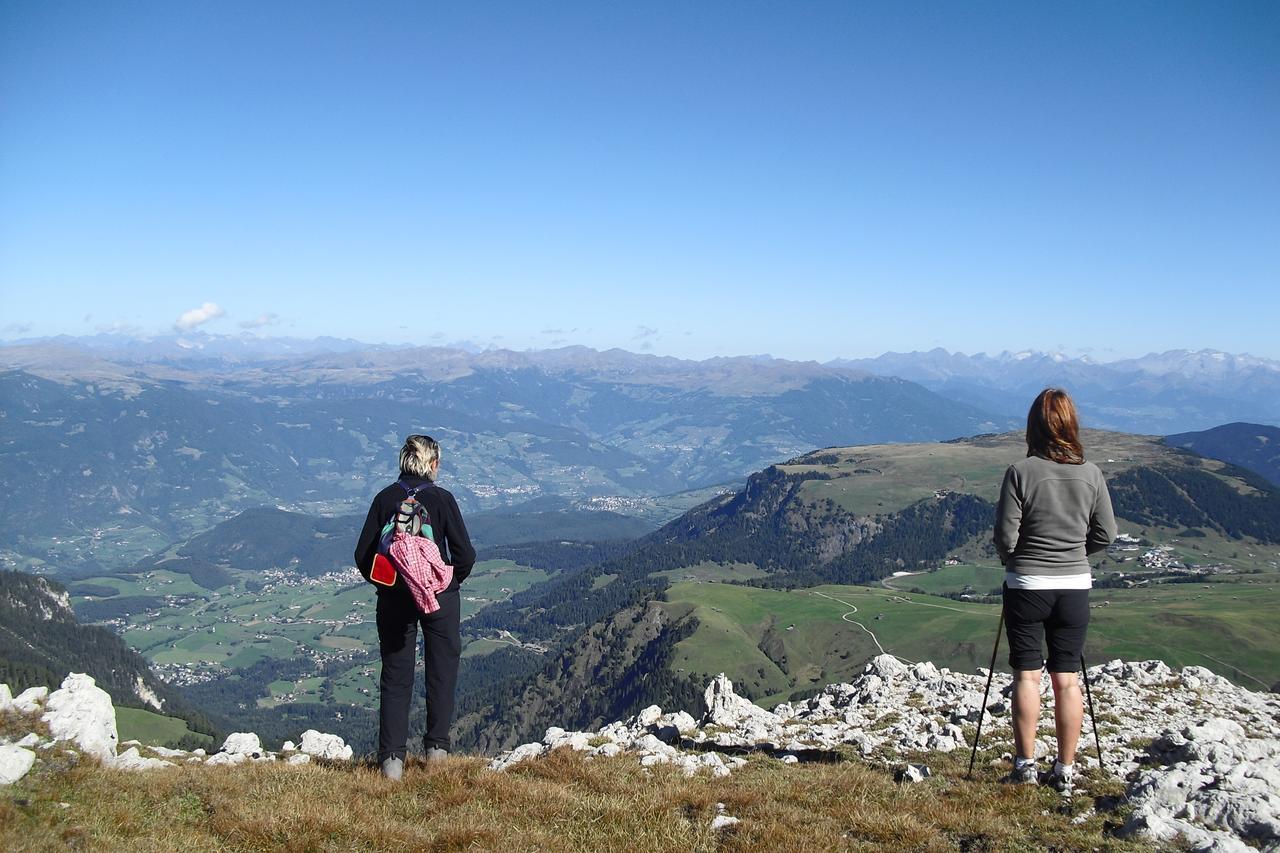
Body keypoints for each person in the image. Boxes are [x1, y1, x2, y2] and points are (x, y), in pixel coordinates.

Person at [993, 389, 1117, 795]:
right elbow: (1106, 534)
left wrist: (1016, 561)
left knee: (1027, 676)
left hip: (1027, 584)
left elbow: (1005, 536)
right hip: (1074, 585)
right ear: (1070, 424)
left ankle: (1024, 764)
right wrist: (1077, 554)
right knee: (1067, 679)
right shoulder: (1092, 473)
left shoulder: (1020, 471)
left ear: (1034, 426)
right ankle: (1066, 768)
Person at [354, 434, 475, 781]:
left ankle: (392, 761)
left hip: (394, 597)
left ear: (403, 461)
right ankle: (436, 751)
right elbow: (465, 555)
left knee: (395, 675)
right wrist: (447, 584)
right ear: (433, 464)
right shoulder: (442, 499)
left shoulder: (384, 499)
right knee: (441, 671)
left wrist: (387, 585)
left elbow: (363, 555)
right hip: (439, 597)